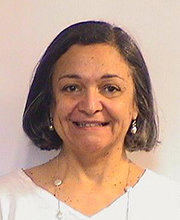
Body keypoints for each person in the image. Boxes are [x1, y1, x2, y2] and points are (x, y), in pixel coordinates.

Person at [0, 21, 179, 220]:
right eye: (72, 88)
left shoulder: (171, 204)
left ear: (136, 104)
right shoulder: (7, 201)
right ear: (50, 102)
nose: (90, 105)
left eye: (110, 88)